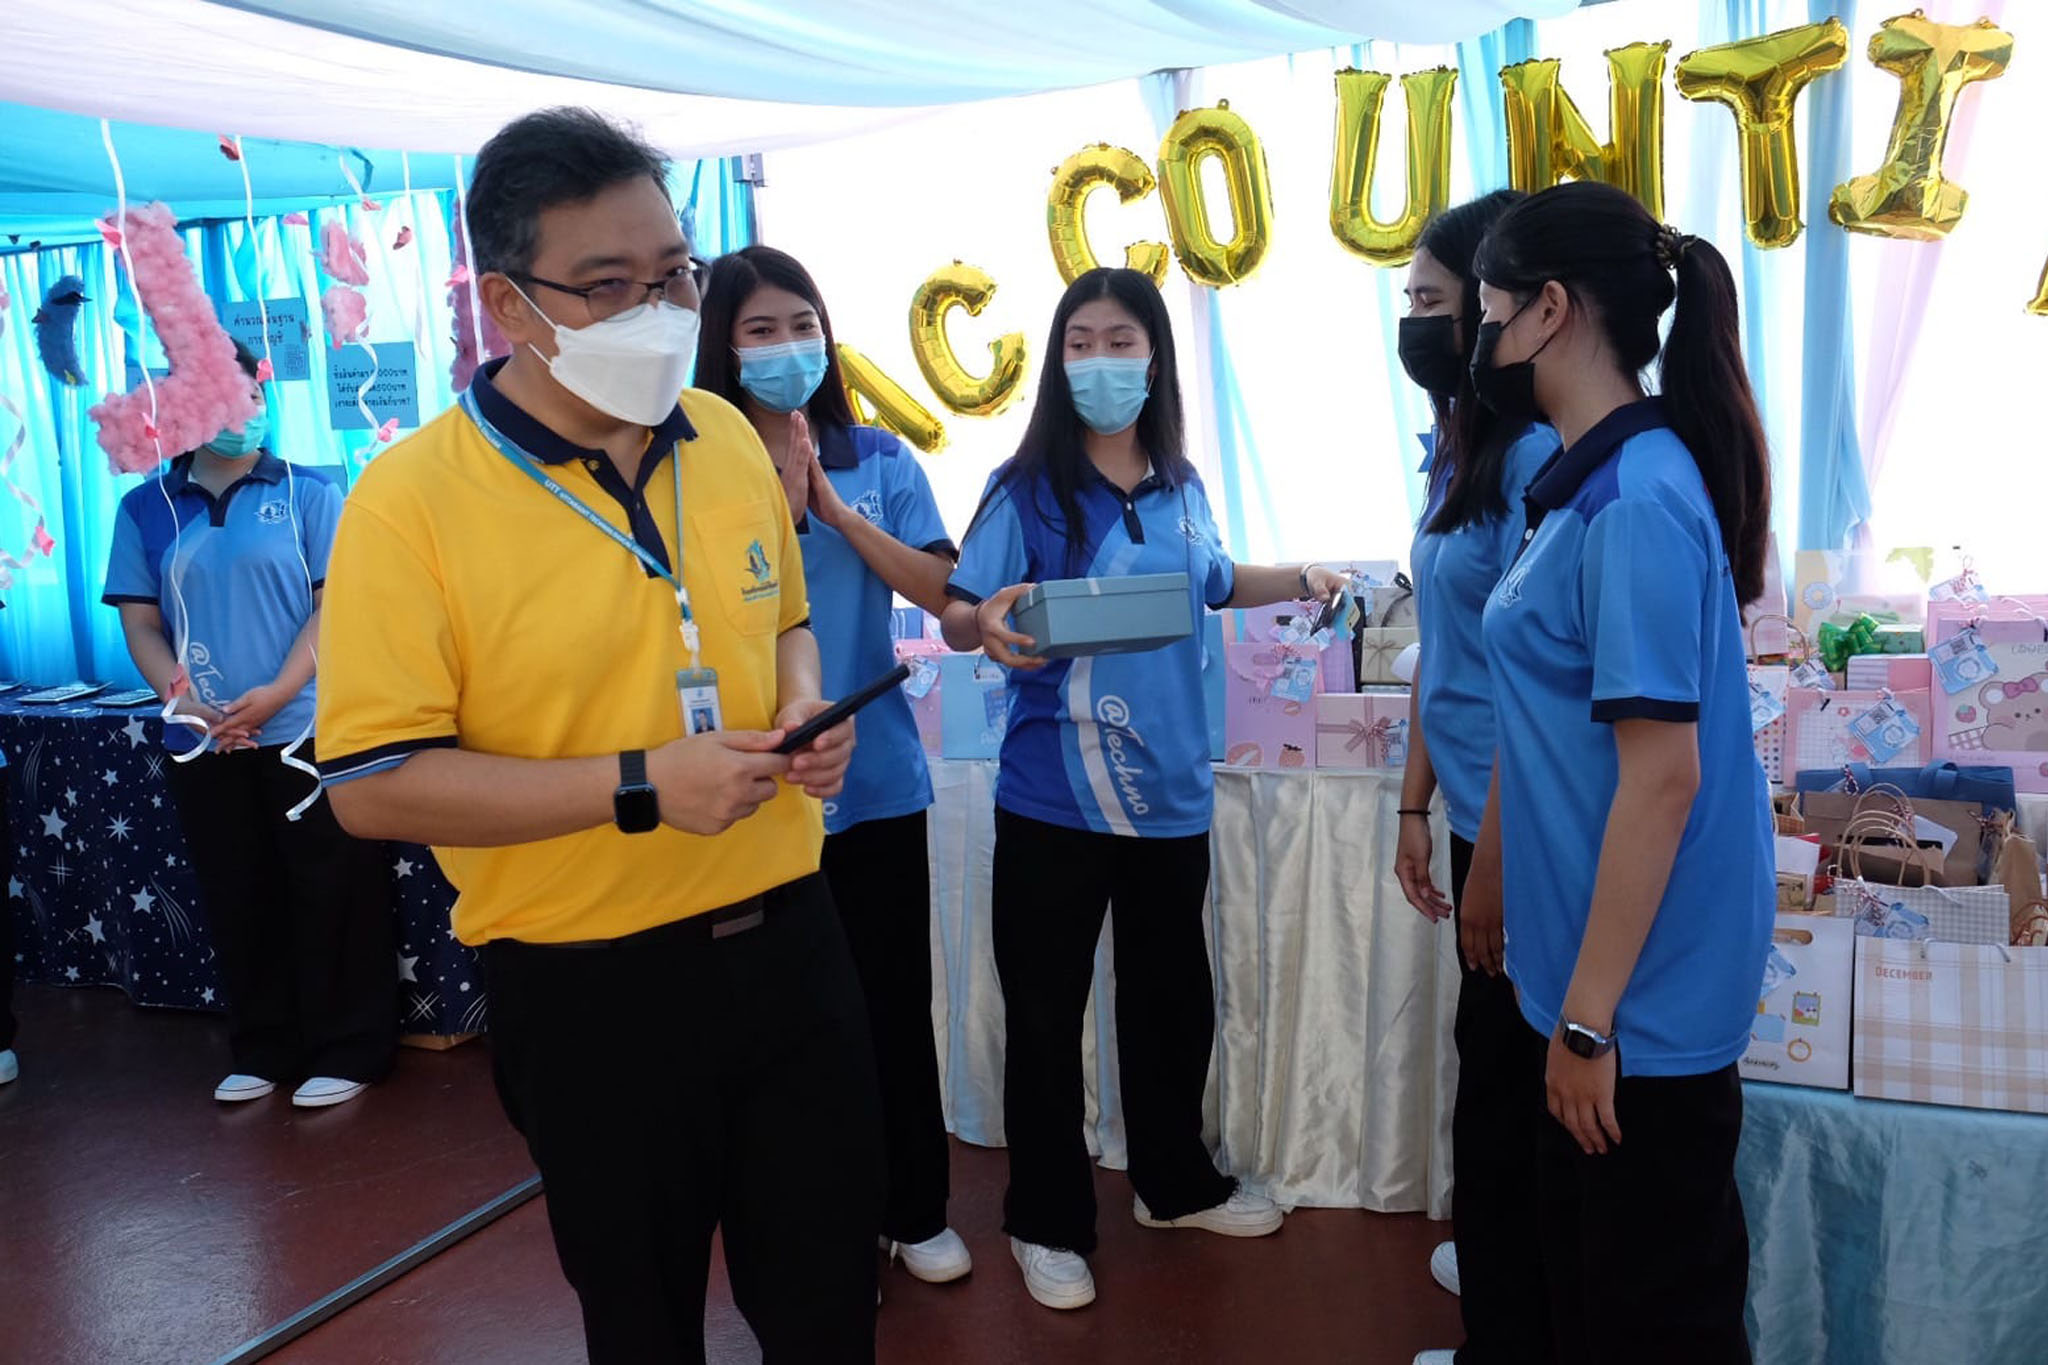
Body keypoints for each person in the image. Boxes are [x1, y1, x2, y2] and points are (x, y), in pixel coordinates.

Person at [314, 108, 882, 1364]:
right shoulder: (410, 504)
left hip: (793, 944)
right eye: (609, 287)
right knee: (642, 1321)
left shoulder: (727, 435)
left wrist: (799, 707)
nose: (661, 310)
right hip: (591, 988)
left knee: (829, 1303)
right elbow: (371, 785)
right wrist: (640, 788)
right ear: (510, 306)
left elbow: (785, 616)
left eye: (674, 273)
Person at [940, 266, 1344, 1312]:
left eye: (1120, 341)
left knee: (1170, 1004)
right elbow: (958, 610)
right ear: (1056, 357)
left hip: (1170, 796)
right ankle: (1046, 1221)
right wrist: (980, 626)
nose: (1100, 361)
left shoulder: (1181, 483)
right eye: (1080, 341)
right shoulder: (1022, 488)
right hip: (1052, 800)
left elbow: (1214, 584)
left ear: (1154, 357)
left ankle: (1172, 1183)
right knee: (1042, 1016)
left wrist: (1302, 576)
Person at [1467, 181, 1774, 1361]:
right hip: (1581, 959)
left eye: (1489, 310)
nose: (1477, 341)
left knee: (1651, 1313)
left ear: (1549, 311)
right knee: (1587, 1292)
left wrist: (1589, 1024)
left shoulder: (1637, 502)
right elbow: (1545, 714)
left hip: (1637, 999)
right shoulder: (1570, 475)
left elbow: (1662, 779)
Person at [698, 246, 970, 1286]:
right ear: (721, 345)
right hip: (743, 796)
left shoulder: (880, 459)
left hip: (875, 781)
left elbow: (943, 592)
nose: (785, 349)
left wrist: (829, 505)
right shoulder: (691, 465)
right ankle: (824, 1218)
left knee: (890, 1006)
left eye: (801, 325)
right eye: (759, 330)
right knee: (785, 1036)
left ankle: (915, 1204)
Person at [101, 341, 394, 1109]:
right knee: (240, 888)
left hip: (303, 728)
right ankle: (264, 1045)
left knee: (331, 887)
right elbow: (140, 621)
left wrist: (279, 690)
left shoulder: (309, 491)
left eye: (253, 387)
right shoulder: (147, 508)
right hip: (202, 736)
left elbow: (335, 608)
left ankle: (350, 1047)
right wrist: (183, 700)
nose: (248, 407)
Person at [1388, 191, 1562, 1365]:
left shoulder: (1536, 455)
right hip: (1465, 811)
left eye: (1435, 302)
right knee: (1486, 1076)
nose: (1412, 321)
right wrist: (1411, 799)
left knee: (1503, 1093)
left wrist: (1487, 862)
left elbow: (1526, 687)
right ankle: (1506, 1296)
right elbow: (1440, 649)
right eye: (1404, 299)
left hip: (1525, 828)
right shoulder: (1457, 442)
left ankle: (1512, 1328)